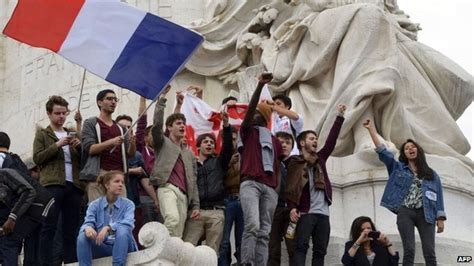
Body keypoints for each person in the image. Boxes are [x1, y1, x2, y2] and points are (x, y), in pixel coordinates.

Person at [363, 120, 446, 266]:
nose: (410, 149)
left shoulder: (432, 175)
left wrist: (440, 219)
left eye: (413, 147)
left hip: (426, 213)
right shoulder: (397, 168)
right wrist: (371, 130)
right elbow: (383, 152)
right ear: (405, 154)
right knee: (409, 250)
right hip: (405, 212)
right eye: (407, 148)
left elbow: (439, 197)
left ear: (418, 151)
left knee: (430, 252)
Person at [285, 104, 346, 266]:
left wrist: (339, 117)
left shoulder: (321, 158)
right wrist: (292, 207)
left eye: (316, 139)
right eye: (312, 138)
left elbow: (331, 142)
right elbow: (290, 187)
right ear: (302, 143)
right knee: (301, 247)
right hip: (306, 213)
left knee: (320, 251)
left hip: (323, 214)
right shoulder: (294, 163)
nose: (316, 141)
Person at [32, 95, 84, 263]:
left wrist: (79, 146)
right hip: (52, 185)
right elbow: (37, 158)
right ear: (49, 113)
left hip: (74, 184)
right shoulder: (43, 134)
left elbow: (84, 159)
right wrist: (57, 145)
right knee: (49, 227)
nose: (61, 116)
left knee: (72, 227)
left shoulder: (71, 133)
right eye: (57, 113)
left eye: (64, 113)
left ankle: (70, 261)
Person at [238, 73, 283, 266]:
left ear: (264, 118)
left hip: (270, 189)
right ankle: (247, 263)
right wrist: (260, 85)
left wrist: (275, 189)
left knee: (265, 232)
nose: (253, 114)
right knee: (252, 226)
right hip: (251, 184)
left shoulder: (274, 141)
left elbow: (278, 166)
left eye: (258, 112)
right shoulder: (247, 131)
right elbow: (248, 111)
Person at [149, 87, 200, 238]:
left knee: (178, 234)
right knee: (172, 219)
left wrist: (196, 205)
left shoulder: (189, 153)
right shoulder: (162, 142)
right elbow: (157, 125)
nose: (182, 126)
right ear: (170, 127)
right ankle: (159, 249)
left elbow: (193, 181)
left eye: (183, 123)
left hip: (184, 195)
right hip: (167, 188)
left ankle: (169, 258)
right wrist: (163, 97)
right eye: (178, 123)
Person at [0, 132, 56, 266]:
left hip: (36, 204)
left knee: (8, 241)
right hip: (34, 206)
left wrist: (12, 217)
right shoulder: (15, 159)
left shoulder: (3, 166)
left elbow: (28, 191)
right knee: (25, 244)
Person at [183, 111, 233, 253]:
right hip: (196, 212)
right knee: (187, 249)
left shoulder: (219, 162)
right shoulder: (191, 164)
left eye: (212, 142)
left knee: (211, 253)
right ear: (198, 147)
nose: (209, 144)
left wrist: (227, 125)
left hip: (216, 212)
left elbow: (228, 147)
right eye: (206, 142)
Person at [80, 89, 136, 202]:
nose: (113, 102)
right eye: (109, 99)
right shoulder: (91, 123)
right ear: (99, 102)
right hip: (98, 175)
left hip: (119, 175)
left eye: (115, 99)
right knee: (99, 215)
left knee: (120, 215)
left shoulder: (121, 128)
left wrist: (132, 144)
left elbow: (129, 154)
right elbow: (90, 149)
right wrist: (111, 142)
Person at [76, 171, 136, 266]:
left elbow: (128, 224)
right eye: (117, 181)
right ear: (107, 185)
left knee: (122, 229)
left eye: (122, 182)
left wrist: (108, 227)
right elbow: (88, 223)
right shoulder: (94, 205)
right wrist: (88, 228)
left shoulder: (129, 204)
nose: (121, 185)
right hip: (104, 247)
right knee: (83, 236)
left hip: (124, 246)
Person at [268, 131, 296, 266]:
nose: (284, 145)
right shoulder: (269, 163)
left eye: (288, 143)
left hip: (292, 212)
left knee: (293, 247)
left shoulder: (297, 165)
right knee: (273, 248)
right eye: (281, 142)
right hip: (274, 210)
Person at [218, 126, 244, 266]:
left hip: (243, 199)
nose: (234, 142)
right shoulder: (220, 158)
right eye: (231, 139)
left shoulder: (246, 156)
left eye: (236, 139)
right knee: (224, 240)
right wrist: (228, 164)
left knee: (242, 240)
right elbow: (217, 180)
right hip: (227, 200)